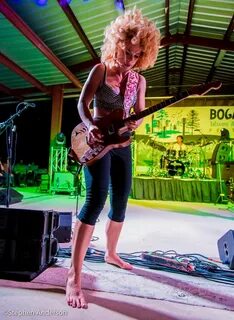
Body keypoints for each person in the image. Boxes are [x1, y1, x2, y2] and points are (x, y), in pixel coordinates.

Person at [66, 8, 160, 309]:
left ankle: (110, 253)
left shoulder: (138, 81)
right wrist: (91, 125)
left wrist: (136, 122)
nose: (129, 59)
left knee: (121, 201)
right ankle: (74, 277)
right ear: (117, 43)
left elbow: (139, 113)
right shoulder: (100, 71)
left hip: (123, 145)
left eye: (136, 55)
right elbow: (82, 103)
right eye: (127, 52)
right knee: (95, 200)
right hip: (96, 143)